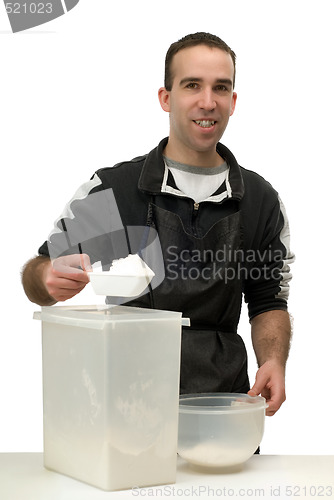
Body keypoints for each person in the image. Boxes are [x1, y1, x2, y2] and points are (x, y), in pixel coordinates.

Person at [22, 32, 294, 416]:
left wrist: (273, 360)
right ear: (166, 98)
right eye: (191, 85)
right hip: (124, 408)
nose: (207, 101)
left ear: (233, 102)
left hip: (220, 409)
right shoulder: (116, 190)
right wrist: (47, 277)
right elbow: (38, 277)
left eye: (221, 88)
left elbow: (268, 301)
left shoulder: (260, 200)